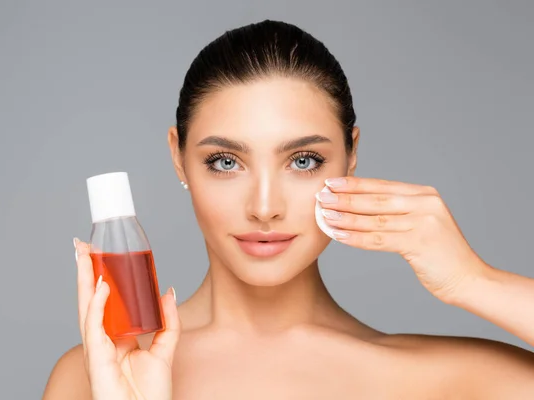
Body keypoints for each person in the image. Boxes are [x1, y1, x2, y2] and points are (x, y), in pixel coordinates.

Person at [42, 20, 534, 399]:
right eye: (225, 161)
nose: (264, 207)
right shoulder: (93, 376)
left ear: (351, 154)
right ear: (178, 157)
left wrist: (474, 282)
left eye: (303, 160)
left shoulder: (457, 381)